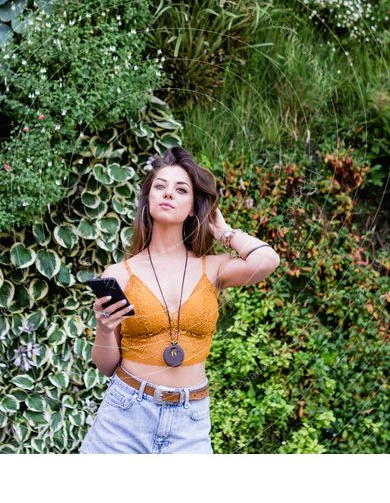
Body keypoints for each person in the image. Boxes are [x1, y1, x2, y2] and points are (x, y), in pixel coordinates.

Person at [79, 146, 280, 453]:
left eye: (180, 189)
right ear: (147, 203)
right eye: (160, 187)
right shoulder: (120, 274)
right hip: (125, 415)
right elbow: (106, 365)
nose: (168, 193)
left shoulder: (213, 268)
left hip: (190, 420)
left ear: (192, 208)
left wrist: (222, 230)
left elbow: (267, 260)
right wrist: (104, 328)